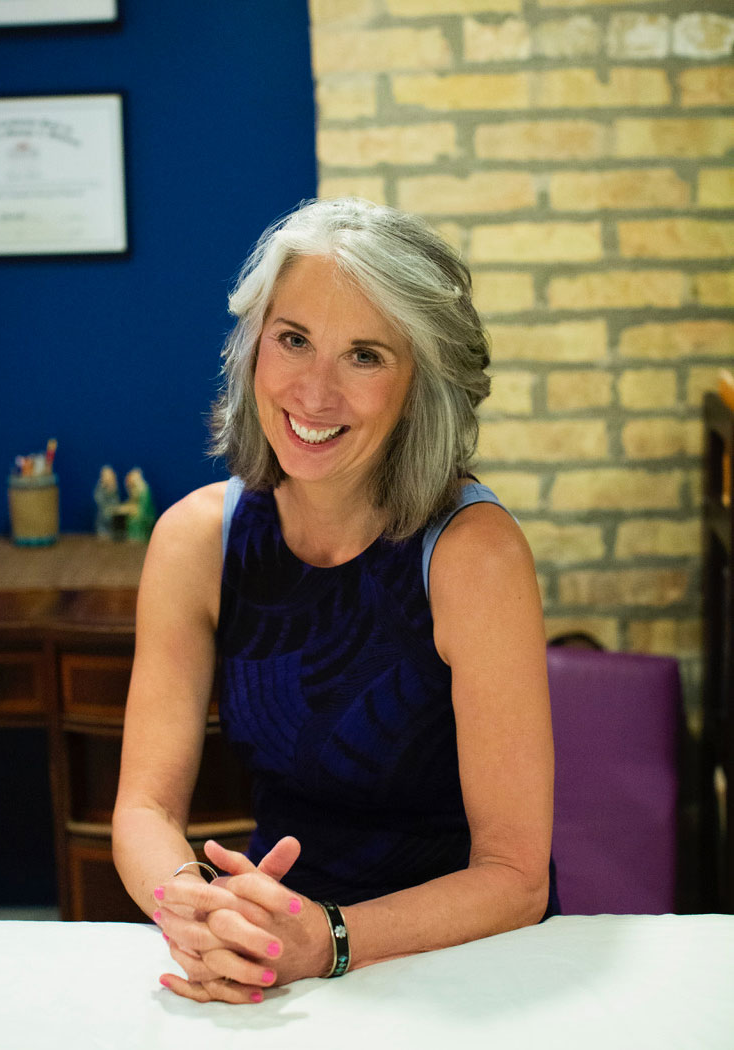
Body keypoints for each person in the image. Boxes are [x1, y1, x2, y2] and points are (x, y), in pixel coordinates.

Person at [112, 197, 558, 1005]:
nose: (314, 392)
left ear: (419, 382)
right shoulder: (193, 541)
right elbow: (143, 806)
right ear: (253, 349)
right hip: (274, 950)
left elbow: (515, 876)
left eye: (364, 355)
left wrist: (330, 940)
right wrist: (198, 910)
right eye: (293, 340)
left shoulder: (473, 554)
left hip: (454, 965)